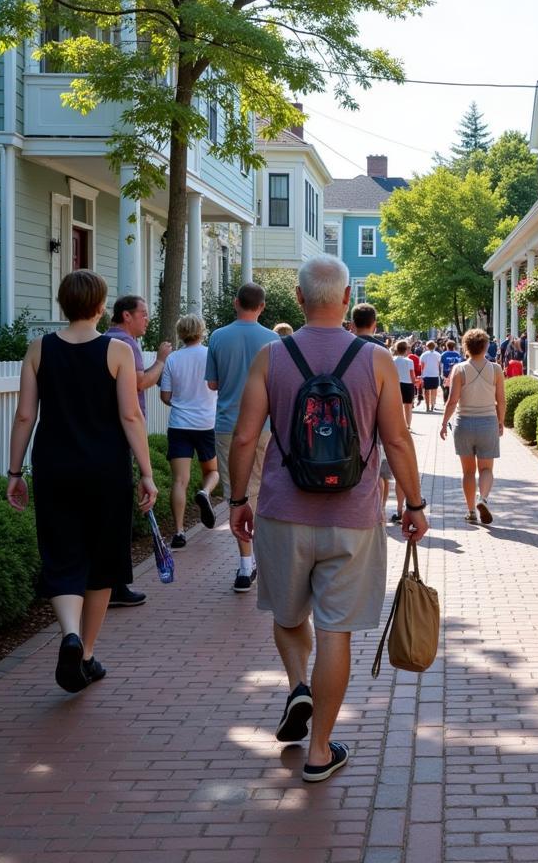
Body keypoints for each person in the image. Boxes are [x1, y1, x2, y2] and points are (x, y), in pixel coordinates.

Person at [227, 255, 428, 783]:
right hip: (354, 519)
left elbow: (246, 437)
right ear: (345, 300)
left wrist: (236, 502)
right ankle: (319, 753)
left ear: (297, 298)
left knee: (290, 616)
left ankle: (298, 686)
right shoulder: (377, 359)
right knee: (335, 633)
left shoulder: (272, 356)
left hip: (282, 511)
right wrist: (413, 503)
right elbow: (397, 440)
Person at [6, 269, 157, 692]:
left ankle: (70, 634)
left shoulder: (39, 348)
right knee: (102, 560)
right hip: (106, 469)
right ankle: (85, 653)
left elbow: (24, 416)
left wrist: (15, 472)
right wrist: (146, 473)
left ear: (63, 303)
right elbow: (131, 415)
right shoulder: (118, 351)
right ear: (100, 306)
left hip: (55, 467)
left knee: (63, 553)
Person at [206, 282, 279, 592]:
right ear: (261, 306)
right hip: (265, 426)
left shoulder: (218, 337)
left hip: (228, 425)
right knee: (263, 490)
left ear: (236, 303)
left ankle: (244, 564)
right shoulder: (274, 340)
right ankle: (264, 558)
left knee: (237, 493)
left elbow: (212, 384)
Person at [105, 294, 172, 606]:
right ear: (126, 315)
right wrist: (161, 358)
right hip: (121, 436)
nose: (147, 319)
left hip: (103, 436)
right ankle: (116, 585)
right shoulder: (124, 343)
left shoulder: (104, 340)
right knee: (118, 513)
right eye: (143, 314)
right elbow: (141, 383)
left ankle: (107, 583)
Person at [159, 314, 219, 549]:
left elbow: (165, 396)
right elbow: (218, 387)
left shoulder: (173, 359)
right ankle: (205, 492)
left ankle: (179, 532)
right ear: (202, 331)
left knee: (179, 481)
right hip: (207, 423)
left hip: (179, 425)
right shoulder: (210, 356)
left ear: (180, 332)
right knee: (212, 470)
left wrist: (181, 402)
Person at [439, 328, 505, 525]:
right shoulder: (496, 369)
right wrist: (501, 421)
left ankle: (470, 511)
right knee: (486, 469)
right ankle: (482, 498)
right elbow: (501, 400)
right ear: (486, 346)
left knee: (468, 472)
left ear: (465, 346)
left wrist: (444, 423)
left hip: (464, 423)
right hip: (488, 423)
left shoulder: (459, 369)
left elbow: (452, 400)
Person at [350, 302, 404, 520]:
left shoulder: (345, 346)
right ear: (375, 324)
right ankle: (378, 511)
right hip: (374, 423)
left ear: (352, 324)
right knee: (377, 472)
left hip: (347, 420)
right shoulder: (381, 351)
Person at [392, 339, 416, 428]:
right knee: (408, 406)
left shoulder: (392, 360)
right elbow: (412, 376)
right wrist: (415, 382)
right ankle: (408, 425)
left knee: (396, 405)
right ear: (406, 350)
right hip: (408, 384)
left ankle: (396, 424)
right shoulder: (409, 361)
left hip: (395, 384)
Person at [420, 340, 443, 412]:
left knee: (426, 391)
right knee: (434, 391)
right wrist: (439, 373)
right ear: (434, 346)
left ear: (427, 347)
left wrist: (422, 374)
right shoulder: (438, 354)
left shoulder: (424, 355)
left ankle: (427, 407)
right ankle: (432, 405)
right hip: (435, 374)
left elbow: (422, 366)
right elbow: (439, 365)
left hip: (426, 375)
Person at [440, 339, 462, 403]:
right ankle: (453, 400)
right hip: (456, 373)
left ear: (447, 346)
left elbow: (441, 365)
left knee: (445, 387)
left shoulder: (443, 354)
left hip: (446, 373)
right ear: (454, 346)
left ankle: (446, 401)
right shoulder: (457, 354)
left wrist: (441, 374)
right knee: (454, 387)